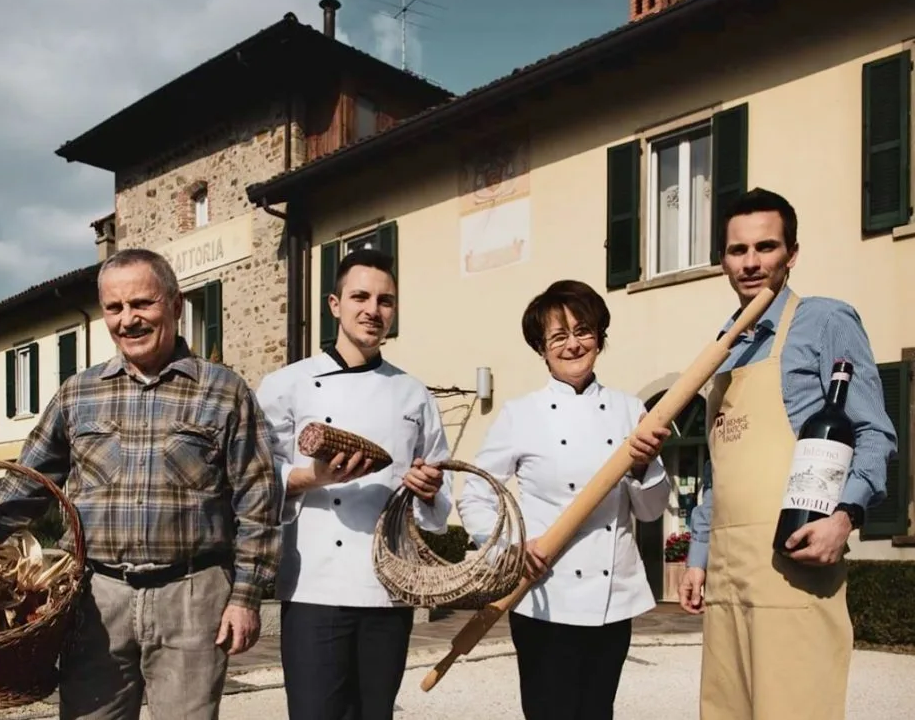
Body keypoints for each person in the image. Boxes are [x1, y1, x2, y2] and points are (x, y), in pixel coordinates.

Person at [0, 248, 282, 720]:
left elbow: (258, 500)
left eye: (142, 303)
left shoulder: (225, 390)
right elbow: (23, 486)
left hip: (192, 595)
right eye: (115, 307)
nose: (128, 319)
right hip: (95, 598)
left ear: (175, 305)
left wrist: (246, 596)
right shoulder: (79, 393)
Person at [678, 188, 897, 719]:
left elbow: (874, 433)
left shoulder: (826, 321)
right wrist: (698, 557)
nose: (751, 262)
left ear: (791, 254)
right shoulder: (724, 345)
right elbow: (718, 466)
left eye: (766, 247)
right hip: (728, 575)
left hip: (797, 563)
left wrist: (844, 518)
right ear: (723, 261)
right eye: (738, 250)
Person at [456, 279, 671, 720]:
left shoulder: (631, 411)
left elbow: (651, 511)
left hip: (612, 601)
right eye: (558, 336)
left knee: (597, 712)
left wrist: (643, 467)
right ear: (542, 348)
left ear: (599, 338)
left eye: (583, 331)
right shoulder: (520, 414)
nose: (573, 345)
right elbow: (476, 494)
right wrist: (510, 549)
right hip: (544, 596)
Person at [255, 247, 452, 720]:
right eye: (360, 297)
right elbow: (254, 480)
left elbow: (440, 499)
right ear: (334, 305)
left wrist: (428, 490)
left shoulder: (413, 393)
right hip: (314, 588)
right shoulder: (287, 385)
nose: (373, 310)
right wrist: (310, 477)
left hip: (389, 589)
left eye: (385, 301)